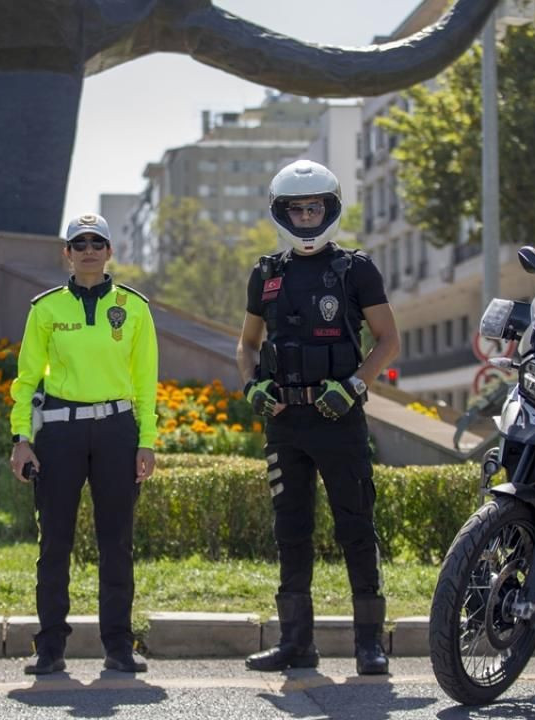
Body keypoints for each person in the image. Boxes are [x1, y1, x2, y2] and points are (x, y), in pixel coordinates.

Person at [236, 160, 400, 675]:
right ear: (280, 213)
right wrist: (253, 387)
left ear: (329, 210)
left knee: (356, 526)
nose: (306, 218)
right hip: (285, 423)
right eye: (296, 210)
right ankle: (296, 644)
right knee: (291, 530)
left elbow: (389, 341)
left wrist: (353, 386)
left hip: (340, 420)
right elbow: (246, 344)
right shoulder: (266, 273)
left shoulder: (356, 269)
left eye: (314, 208)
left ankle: (369, 646)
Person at [8, 213, 159, 675]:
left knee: (117, 542)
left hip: (117, 431)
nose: (89, 250)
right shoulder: (46, 308)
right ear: (67, 253)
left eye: (98, 242)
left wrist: (146, 441)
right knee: (54, 543)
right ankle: (50, 647)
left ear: (110, 252)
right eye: (80, 243)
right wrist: (21, 439)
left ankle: (118, 645)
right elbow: (26, 378)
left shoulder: (134, 307)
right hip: (59, 433)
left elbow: (146, 381)